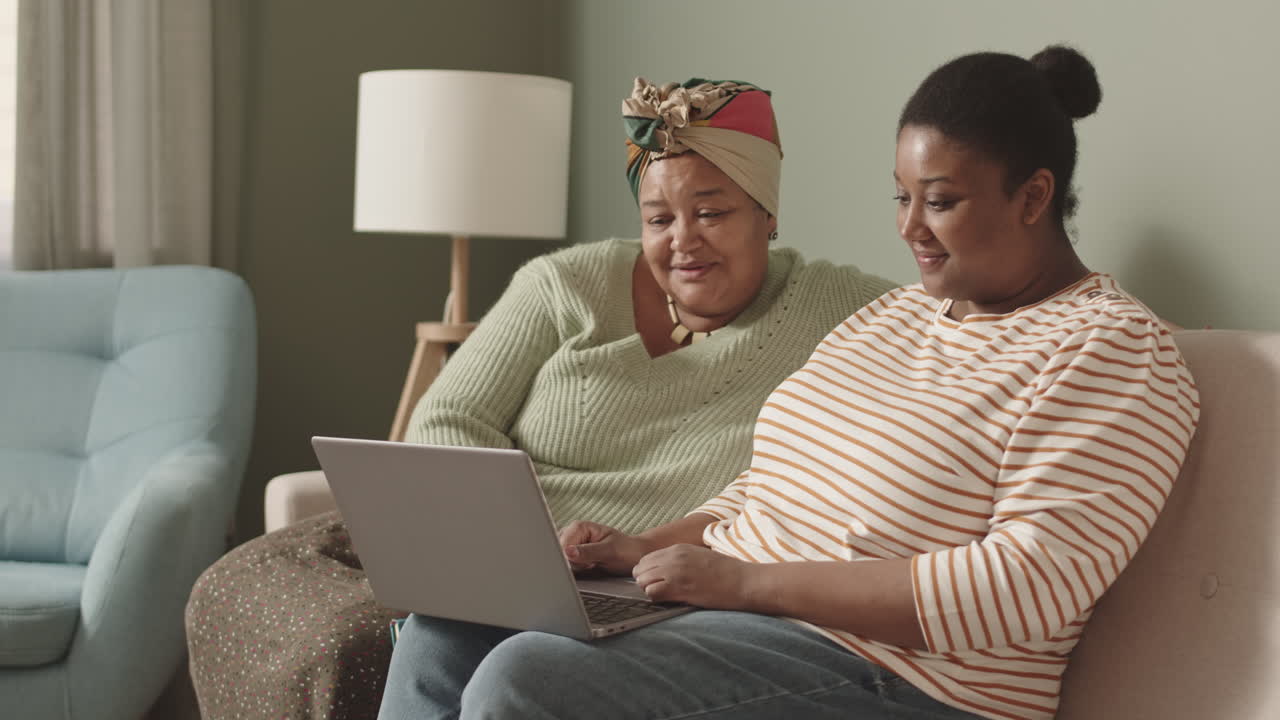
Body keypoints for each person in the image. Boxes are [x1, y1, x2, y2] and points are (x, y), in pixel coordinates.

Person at [378, 47, 1200, 720]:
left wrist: (748, 585)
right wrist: (648, 547)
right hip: (745, 623)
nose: (909, 229)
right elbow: (766, 493)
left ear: (1034, 196)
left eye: (940, 202)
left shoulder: (1112, 350)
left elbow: (1025, 588)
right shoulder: (897, 318)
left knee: (528, 680)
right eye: (903, 197)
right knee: (448, 626)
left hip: (910, 682)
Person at [184, 77, 896, 719]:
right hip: (488, 550)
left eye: (712, 213)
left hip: (642, 581)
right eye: (658, 218)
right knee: (237, 584)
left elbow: (961, 324)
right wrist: (519, 539)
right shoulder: (567, 284)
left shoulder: (845, 308)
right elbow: (447, 417)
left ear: (768, 214)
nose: (683, 242)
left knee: (357, 640)